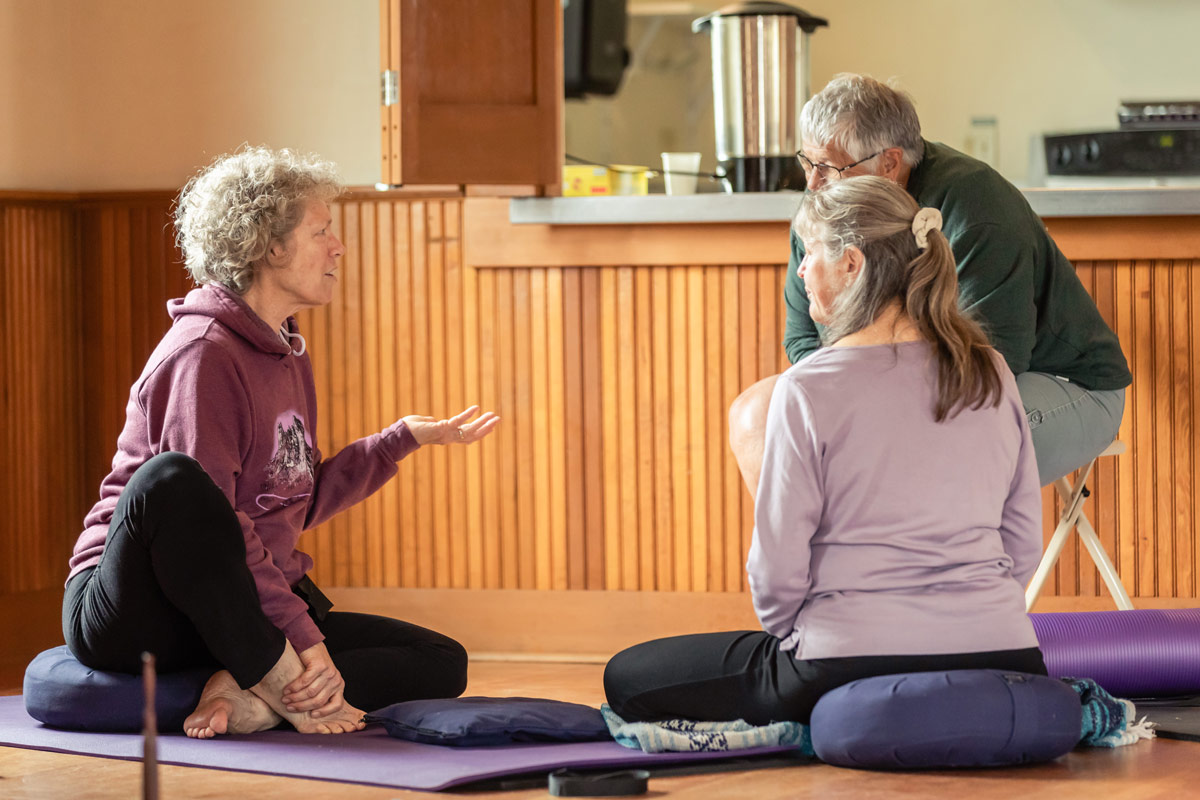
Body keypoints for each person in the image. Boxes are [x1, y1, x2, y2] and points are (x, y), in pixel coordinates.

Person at [63, 146, 500, 739]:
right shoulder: (204, 356)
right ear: (270, 247)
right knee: (174, 481)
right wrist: (299, 636)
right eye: (322, 231)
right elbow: (211, 528)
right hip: (141, 610)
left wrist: (401, 441)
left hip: (228, 607)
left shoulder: (285, 347)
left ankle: (255, 699)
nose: (338, 246)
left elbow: (294, 497)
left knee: (442, 660)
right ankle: (268, 675)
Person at [604, 176, 1046, 725]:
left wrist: (804, 635)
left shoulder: (807, 387)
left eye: (808, 252)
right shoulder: (991, 371)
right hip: (1003, 652)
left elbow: (777, 573)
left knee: (627, 675)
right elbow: (1024, 541)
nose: (801, 272)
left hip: (843, 658)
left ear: (851, 264)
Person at [730, 74, 1131, 494]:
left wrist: (867, 407)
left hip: (1057, 384)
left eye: (829, 167)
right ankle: (807, 559)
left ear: (889, 163)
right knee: (761, 417)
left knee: (915, 448)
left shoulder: (975, 202)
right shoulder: (823, 207)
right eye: (807, 163)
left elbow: (991, 366)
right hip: (903, 386)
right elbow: (803, 340)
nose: (812, 185)